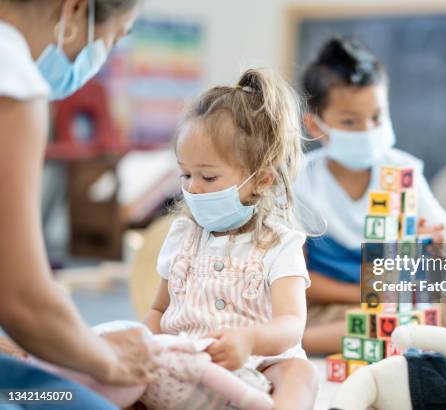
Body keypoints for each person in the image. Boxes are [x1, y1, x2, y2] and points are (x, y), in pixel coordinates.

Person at [0, 0, 156, 407]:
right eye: (114, 39)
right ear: (74, 10)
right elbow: (23, 301)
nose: (102, 57)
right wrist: (108, 361)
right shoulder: (12, 78)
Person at [295, 37, 446, 354]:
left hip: (404, 300)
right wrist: (366, 295)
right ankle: (402, 335)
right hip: (336, 307)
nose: (367, 129)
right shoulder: (300, 181)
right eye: (349, 121)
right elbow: (298, 279)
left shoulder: (402, 169)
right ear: (315, 125)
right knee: (300, 333)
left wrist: (443, 242)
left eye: (377, 117)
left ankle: (401, 333)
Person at [143, 69, 319, 410]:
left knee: (301, 372)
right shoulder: (182, 236)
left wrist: (250, 340)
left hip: (260, 363)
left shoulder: (280, 244)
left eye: (208, 176)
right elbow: (158, 310)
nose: (192, 187)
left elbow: (292, 324)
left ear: (262, 179)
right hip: (188, 366)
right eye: (185, 174)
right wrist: (145, 345)